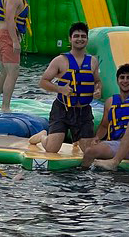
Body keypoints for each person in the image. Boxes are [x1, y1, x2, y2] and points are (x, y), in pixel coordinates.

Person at [28, 22, 101, 154]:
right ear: (70, 39)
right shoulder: (60, 60)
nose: (80, 39)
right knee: (52, 149)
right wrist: (60, 89)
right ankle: (43, 136)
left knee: (90, 151)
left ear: (87, 40)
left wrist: (98, 90)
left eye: (83, 36)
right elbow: (43, 82)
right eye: (76, 36)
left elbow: (97, 81)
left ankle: (77, 138)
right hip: (62, 109)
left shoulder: (93, 61)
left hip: (83, 111)